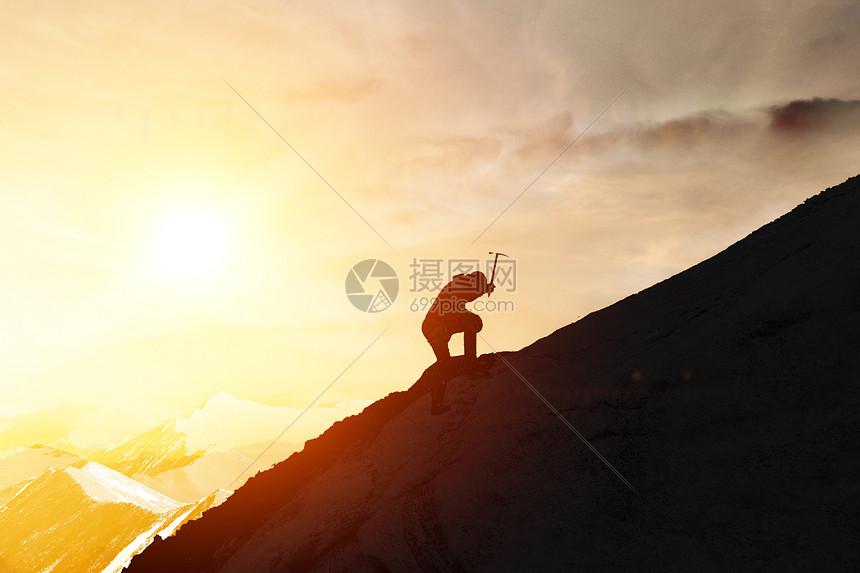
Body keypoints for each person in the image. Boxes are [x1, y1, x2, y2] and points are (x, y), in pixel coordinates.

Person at [421, 270, 495, 414]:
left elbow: (466, 296)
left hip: (435, 326)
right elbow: (466, 295)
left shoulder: (456, 287)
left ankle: (437, 404)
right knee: (472, 323)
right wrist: (483, 289)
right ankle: (469, 362)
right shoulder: (457, 288)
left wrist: (482, 290)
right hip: (436, 326)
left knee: (445, 363)